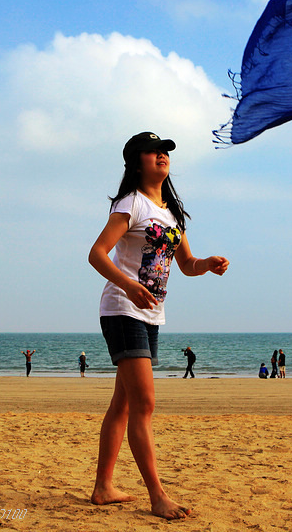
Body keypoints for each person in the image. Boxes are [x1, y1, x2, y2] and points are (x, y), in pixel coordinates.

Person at [88, 131, 229, 520]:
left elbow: (186, 264)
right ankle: (157, 495)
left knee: (125, 402)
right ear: (137, 162)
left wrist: (207, 264)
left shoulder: (171, 213)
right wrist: (130, 286)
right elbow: (97, 254)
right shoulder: (130, 203)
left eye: (164, 151)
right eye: (152, 151)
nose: (161, 156)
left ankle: (103, 487)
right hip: (122, 308)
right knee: (145, 404)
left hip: (151, 313)